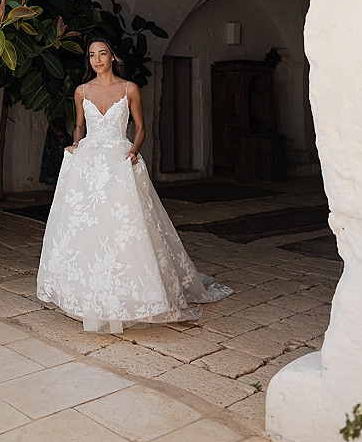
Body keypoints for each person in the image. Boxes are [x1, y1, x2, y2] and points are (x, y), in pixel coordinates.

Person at [37, 34, 233, 333]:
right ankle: (87, 293)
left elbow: (141, 127)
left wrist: (133, 151)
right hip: (89, 160)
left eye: (102, 54)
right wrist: (76, 145)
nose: (97, 59)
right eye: (92, 55)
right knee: (88, 226)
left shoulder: (130, 89)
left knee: (126, 225)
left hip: (119, 159)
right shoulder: (81, 91)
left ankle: (134, 293)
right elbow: (79, 124)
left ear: (112, 56)